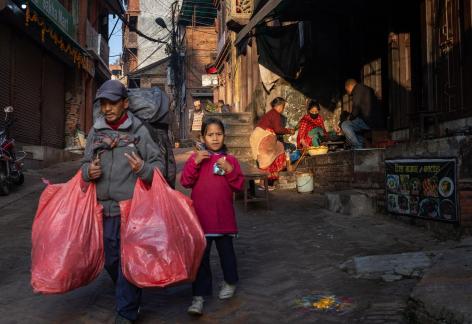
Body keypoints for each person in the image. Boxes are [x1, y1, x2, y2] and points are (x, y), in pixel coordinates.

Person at [81, 80, 165, 324]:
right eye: (103, 104)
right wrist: (89, 172)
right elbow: (85, 164)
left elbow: (158, 165)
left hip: (130, 209)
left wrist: (143, 169)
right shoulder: (96, 131)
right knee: (111, 260)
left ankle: (127, 310)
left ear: (125, 104)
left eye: (112, 103)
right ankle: (131, 288)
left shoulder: (138, 131)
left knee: (126, 258)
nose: (107, 108)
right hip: (102, 208)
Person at [180, 117, 244, 316]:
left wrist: (230, 170)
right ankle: (198, 297)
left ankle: (230, 282)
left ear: (224, 136)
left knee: (227, 256)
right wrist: (195, 163)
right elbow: (185, 181)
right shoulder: (198, 159)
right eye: (210, 134)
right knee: (201, 260)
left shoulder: (230, 160)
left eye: (219, 134)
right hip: (202, 221)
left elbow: (239, 185)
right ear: (203, 137)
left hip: (224, 220)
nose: (215, 138)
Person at [249, 97, 295, 188]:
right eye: (283, 106)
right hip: (263, 137)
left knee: (277, 149)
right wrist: (289, 131)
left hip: (260, 136)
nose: (283, 108)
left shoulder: (271, 113)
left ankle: (265, 183)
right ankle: (263, 183)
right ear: (280, 106)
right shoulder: (275, 114)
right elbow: (278, 129)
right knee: (268, 157)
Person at [339, 79, 384, 149]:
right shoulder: (368, 89)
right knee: (354, 130)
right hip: (377, 121)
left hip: (369, 122)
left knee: (345, 125)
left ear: (349, 87)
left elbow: (355, 109)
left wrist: (349, 119)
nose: (347, 93)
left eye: (347, 90)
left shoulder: (357, 90)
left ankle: (358, 146)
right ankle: (361, 144)